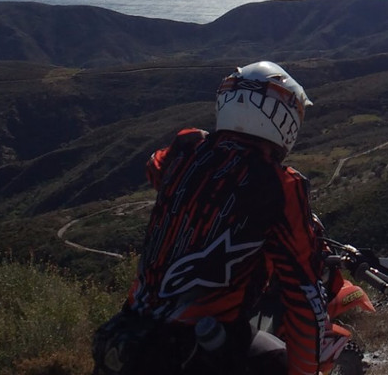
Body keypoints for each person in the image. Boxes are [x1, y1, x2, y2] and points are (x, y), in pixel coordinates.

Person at [92, 61, 327, 375]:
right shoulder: (281, 187)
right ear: (284, 120)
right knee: (279, 363)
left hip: (129, 335)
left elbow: (154, 167)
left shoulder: (185, 150)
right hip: (198, 353)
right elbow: (303, 294)